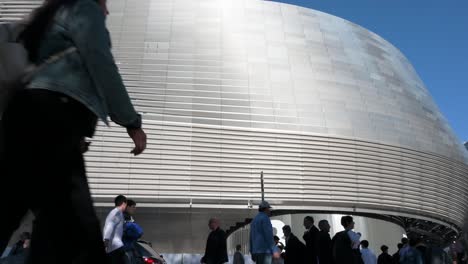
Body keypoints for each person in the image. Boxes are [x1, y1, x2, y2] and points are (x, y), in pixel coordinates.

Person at [0, 0, 147, 262]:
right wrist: (132, 122)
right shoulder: (83, 9)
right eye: (104, 2)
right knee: (77, 223)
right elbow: (101, 62)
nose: (107, 10)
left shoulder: (49, 18)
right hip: (54, 117)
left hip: (25, 117)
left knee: (23, 210)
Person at [104, 195, 128, 264]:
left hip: (115, 246)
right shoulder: (116, 213)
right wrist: (106, 241)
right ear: (123, 203)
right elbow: (110, 226)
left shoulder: (119, 213)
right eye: (126, 204)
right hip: (114, 247)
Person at [123, 200, 143, 264]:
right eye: (133, 207)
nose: (135, 209)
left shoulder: (130, 218)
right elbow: (138, 232)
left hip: (129, 249)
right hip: (123, 251)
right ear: (128, 207)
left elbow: (139, 232)